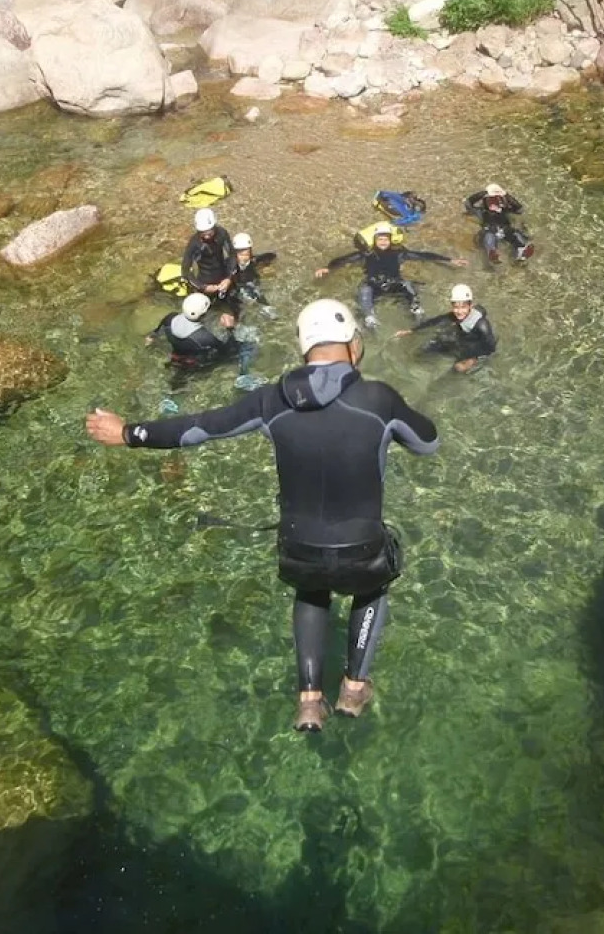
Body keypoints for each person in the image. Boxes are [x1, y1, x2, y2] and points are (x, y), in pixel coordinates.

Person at [87, 299, 439, 732]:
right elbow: (429, 442)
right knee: (373, 584)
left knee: (311, 590)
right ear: (354, 343)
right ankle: (353, 688)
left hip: (298, 549)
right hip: (360, 549)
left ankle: (309, 701)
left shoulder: (272, 399)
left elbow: (199, 427)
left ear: (302, 349)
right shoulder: (378, 398)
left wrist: (128, 433)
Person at [314, 222, 467, 330]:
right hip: (374, 285)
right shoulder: (366, 254)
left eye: (385, 239)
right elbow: (344, 259)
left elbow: (423, 255)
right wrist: (328, 268)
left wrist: (449, 260)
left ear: (390, 240)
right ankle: (369, 317)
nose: (383, 242)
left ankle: (416, 310)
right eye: (380, 239)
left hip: (394, 283)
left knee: (407, 285)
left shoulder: (399, 253)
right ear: (375, 240)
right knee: (364, 289)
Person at [393, 284, 497, 373]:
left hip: (472, 348)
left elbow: (490, 348)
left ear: (471, 305)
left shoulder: (482, 325)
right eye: (456, 307)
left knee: (456, 371)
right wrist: (411, 330)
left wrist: (473, 360)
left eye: (463, 307)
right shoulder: (454, 315)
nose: (459, 311)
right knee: (420, 354)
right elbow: (436, 321)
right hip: (457, 340)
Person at [146, 292, 250, 379]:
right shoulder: (203, 338)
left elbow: (155, 333)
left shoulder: (170, 318)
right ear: (203, 315)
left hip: (177, 356)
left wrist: (150, 339)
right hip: (195, 364)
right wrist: (230, 328)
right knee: (247, 348)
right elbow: (229, 351)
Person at [182, 207, 238, 327]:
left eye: (209, 232)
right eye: (203, 233)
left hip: (224, 279)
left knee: (234, 316)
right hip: (205, 283)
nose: (207, 236)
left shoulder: (222, 233)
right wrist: (203, 287)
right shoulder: (194, 244)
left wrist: (229, 278)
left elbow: (232, 255)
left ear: (214, 227)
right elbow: (185, 271)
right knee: (205, 320)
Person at [464, 183, 534, 265]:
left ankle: (521, 251)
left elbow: (520, 209)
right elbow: (468, 203)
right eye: (491, 199)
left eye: (496, 199)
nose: (493, 202)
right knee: (489, 236)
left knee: (516, 234)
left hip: (506, 231)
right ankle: (492, 252)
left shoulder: (506, 210)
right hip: (490, 232)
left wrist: (506, 195)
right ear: (485, 201)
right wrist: (484, 193)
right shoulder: (481, 211)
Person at [231, 232, 277, 312]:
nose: (244, 258)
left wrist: (267, 266)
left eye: (246, 254)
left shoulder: (253, 260)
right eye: (241, 255)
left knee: (259, 296)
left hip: (253, 284)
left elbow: (271, 256)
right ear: (235, 253)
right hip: (240, 288)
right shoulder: (231, 266)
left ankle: (268, 310)